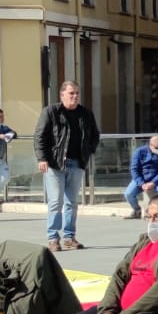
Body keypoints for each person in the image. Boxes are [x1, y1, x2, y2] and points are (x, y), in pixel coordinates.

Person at [35, 81, 100, 252]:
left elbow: (94, 135)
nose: (75, 96)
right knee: (56, 201)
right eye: (71, 93)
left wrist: (88, 152)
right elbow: (40, 136)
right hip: (55, 164)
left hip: (77, 163)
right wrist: (42, 158)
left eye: (77, 93)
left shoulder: (85, 113)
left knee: (72, 202)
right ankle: (53, 238)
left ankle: (69, 237)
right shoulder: (51, 112)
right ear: (62, 95)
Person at [124, 135, 158, 220]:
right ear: (150, 145)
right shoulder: (139, 152)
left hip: (157, 179)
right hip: (141, 178)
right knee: (128, 194)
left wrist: (154, 182)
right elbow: (134, 169)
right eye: (157, 148)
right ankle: (136, 210)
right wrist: (141, 183)